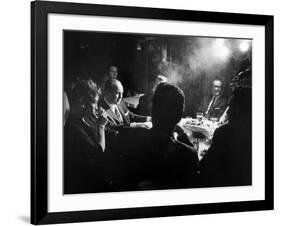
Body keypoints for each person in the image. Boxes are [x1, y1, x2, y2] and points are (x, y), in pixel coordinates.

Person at [111, 83, 199, 191]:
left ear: (153, 110)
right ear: (180, 115)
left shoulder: (127, 138)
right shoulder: (188, 155)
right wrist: (183, 135)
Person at [64, 79, 110, 194]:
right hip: (87, 185)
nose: (97, 107)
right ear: (82, 103)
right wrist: (101, 126)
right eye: (95, 102)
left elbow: (109, 133)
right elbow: (98, 153)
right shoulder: (73, 127)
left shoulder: (86, 117)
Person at [199, 87, 252, 187]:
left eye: (231, 107)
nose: (227, 112)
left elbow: (203, 166)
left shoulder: (224, 132)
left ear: (240, 110)